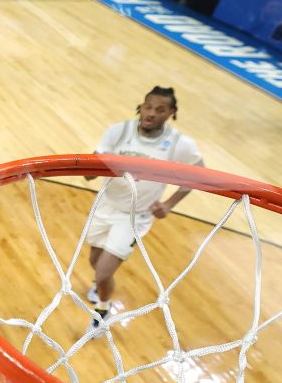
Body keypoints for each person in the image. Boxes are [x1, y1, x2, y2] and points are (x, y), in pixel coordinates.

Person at [83, 88, 203, 326]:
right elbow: (90, 170)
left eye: (160, 110)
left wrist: (169, 204)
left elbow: (199, 174)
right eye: (148, 107)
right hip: (105, 206)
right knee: (95, 261)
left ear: (171, 113)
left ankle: (103, 311)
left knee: (103, 272)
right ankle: (101, 287)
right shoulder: (119, 132)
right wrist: (91, 171)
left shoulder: (180, 144)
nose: (151, 114)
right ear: (141, 107)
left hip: (135, 217)